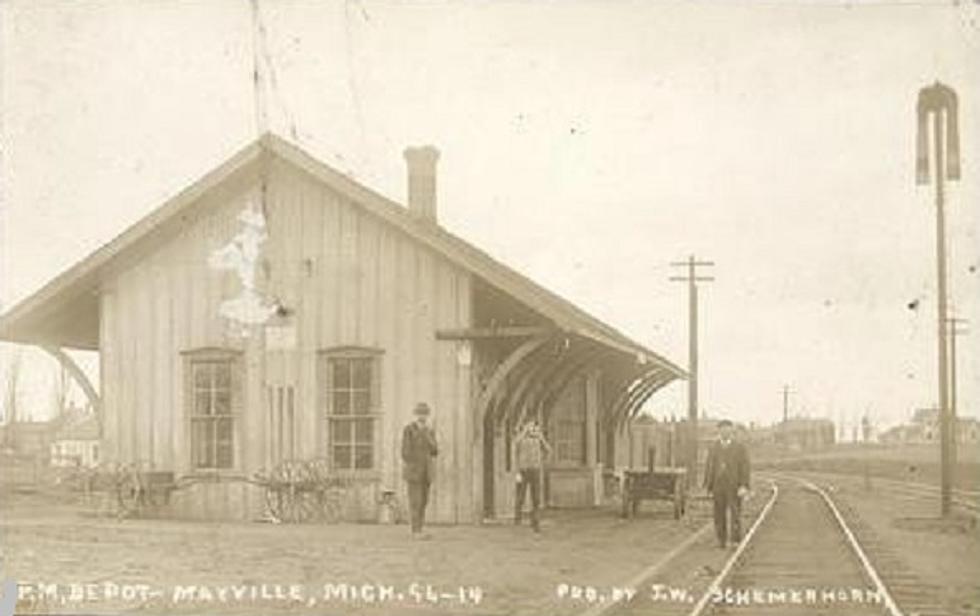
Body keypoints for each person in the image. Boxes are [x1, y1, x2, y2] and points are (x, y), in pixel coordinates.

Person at [703, 419, 750, 549]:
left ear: (731, 431)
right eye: (722, 429)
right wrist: (708, 485)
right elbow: (709, 466)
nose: (725, 432)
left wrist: (744, 486)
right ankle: (721, 540)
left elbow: (745, 467)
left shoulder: (740, 447)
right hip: (718, 486)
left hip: (734, 486)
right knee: (718, 514)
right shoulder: (713, 447)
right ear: (719, 431)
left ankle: (735, 540)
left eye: (727, 429)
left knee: (735, 513)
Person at [402, 402, 438, 538]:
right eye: (420, 414)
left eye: (425, 414)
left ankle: (420, 529)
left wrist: (428, 436)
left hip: (426, 472)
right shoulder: (409, 430)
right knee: (415, 501)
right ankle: (415, 531)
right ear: (415, 415)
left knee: (424, 501)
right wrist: (414, 464)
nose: (422, 416)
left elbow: (435, 451)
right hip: (414, 472)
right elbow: (405, 452)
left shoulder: (430, 431)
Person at [514, 420, 552, 533]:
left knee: (536, 498)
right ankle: (518, 517)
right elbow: (516, 444)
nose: (532, 429)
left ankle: (535, 521)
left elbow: (548, 450)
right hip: (523, 470)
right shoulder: (521, 438)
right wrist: (524, 432)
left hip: (535, 470)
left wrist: (541, 438)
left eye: (534, 426)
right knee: (520, 495)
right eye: (530, 426)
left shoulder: (538, 439)